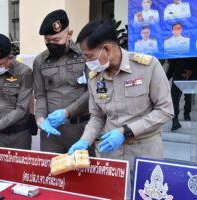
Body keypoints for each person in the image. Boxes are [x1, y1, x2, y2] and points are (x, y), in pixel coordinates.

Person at [68, 19, 174, 197]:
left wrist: (125, 131)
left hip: (145, 151)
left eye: (90, 56)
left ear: (107, 49)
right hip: (112, 153)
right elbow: (97, 117)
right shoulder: (95, 77)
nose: (87, 62)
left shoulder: (147, 67)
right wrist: (84, 141)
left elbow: (165, 110)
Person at [33, 9, 94, 155]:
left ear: (70, 34)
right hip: (51, 135)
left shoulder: (84, 55)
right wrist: (40, 118)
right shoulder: (40, 61)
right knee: (52, 174)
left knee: (82, 175)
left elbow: (93, 91)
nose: (52, 44)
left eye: (56, 40)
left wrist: (67, 112)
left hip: (81, 129)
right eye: (48, 40)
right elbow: (40, 95)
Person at [167, 58, 197, 131]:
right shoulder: (177, 52)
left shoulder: (195, 51)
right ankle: (175, 121)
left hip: (191, 79)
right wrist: (165, 79)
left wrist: (191, 72)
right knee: (174, 100)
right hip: (177, 78)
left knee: (189, 99)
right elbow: (171, 67)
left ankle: (187, 114)